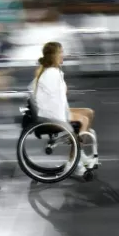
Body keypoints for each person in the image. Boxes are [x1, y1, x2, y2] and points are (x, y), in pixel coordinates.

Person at [32, 41, 99, 178]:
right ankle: (74, 161)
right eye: (61, 52)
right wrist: (67, 119)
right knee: (83, 120)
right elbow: (56, 100)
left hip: (54, 111)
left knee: (88, 112)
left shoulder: (53, 72)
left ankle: (79, 152)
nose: (64, 55)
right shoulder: (51, 73)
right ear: (54, 56)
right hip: (51, 115)